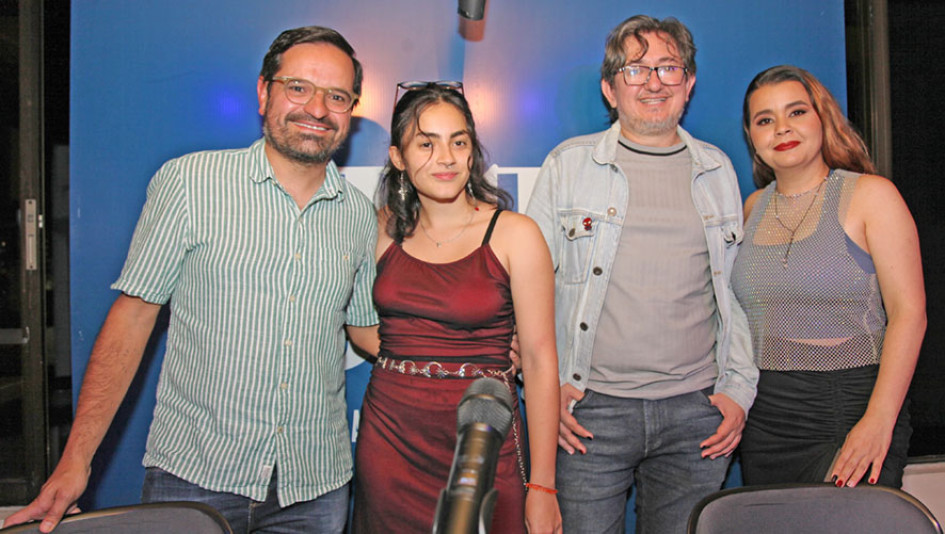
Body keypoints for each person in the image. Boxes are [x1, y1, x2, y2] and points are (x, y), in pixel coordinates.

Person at [4, 26, 380, 533]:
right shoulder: (189, 183)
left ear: (350, 109)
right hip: (195, 478)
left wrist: (476, 345)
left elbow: (365, 330)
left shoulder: (358, 215)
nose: (317, 108)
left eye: (336, 96)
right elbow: (132, 319)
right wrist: (77, 459)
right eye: (298, 87)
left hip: (315, 488)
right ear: (265, 91)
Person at [526, 15, 758, 533]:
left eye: (668, 67)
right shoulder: (569, 165)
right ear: (611, 88)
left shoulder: (718, 170)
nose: (653, 82)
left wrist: (737, 392)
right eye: (636, 69)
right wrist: (544, 391)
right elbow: (526, 292)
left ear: (689, 82)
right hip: (590, 415)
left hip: (696, 415)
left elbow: (736, 294)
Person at [351, 82, 562, 533]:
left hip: (482, 439)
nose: (445, 157)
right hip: (390, 437)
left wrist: (543, 486)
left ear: (472, 153)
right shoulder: (377, 229)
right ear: (398, 157)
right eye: (426, 143)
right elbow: (358, 325)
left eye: (458, 141)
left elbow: (542, 363)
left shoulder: (514, 234)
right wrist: (417, 356)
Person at [732, 65, 925, 488]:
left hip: (850, 405)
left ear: (823, 118)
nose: (782, 128)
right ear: (753, 137)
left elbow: (910, 314)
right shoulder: (751, 208)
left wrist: (878, 420)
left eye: (796, 112)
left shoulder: (872, 196)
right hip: (765, 416)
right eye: (765, 120)